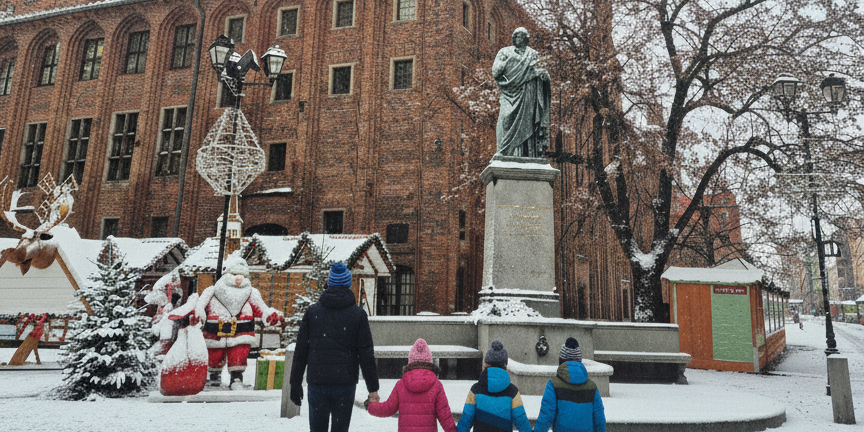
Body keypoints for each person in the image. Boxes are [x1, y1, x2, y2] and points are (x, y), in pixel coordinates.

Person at [289, 262, 379, 432]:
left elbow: (301, 350)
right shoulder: (358, 315)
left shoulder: (312, 312)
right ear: (348, 284)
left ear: (329, 284)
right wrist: (372, 388)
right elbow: (366, 353)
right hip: (345, 383)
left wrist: (295, 383)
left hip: (317, 382)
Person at [192, 256, 284, 389]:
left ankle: (236, 377)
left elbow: (261, 308)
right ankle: (213, 376)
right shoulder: (212, 291)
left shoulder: (251, 293)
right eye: (234, 274)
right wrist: (198, 316)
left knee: (239, 354)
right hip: (215, 332)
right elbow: (200, 307)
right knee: (214, 354)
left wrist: (270, 316)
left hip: (241, 331)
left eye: (242, 275)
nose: (238, 278)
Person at [366, 338, 458, 432]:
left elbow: (388, 408)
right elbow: (445, 416)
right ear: (430, 362)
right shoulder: (436, 385)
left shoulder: (401, 385)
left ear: (410, 362)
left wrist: (371, 406)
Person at [492, 27, 551, 157]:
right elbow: (496, 72)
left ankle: (527, 155)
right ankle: (504, 151)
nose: (519, 38)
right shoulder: (505, 52)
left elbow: (540, 72)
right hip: (509, 92)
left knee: (528, 123)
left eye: (522, 36)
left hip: (528, 92)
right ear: (513, 38)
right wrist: (508, 62)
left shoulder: (533, 54)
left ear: (526, 39)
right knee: (505, 120)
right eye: (517, 36)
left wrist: (543, 76)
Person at [456, 340, 532, 432]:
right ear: (505, 366)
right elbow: (521, 421)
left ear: (486, 364)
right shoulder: (512, 392)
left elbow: (466, 420)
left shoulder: (476, 390)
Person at [534, 338, 606, 432]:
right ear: (579, 360)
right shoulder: (591, 387)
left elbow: (546, 416)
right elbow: (599, 419)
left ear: (561, 361)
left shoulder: (554, 385)